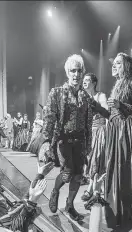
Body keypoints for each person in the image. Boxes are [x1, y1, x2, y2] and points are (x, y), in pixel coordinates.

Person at [96, 52, 132, 228]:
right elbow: (111, 113)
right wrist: (98, 108)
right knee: (114, 169)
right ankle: (117, 211)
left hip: (125, 130)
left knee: (124, 169)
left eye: (118, 63)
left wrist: (120, 105)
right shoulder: (117, 84)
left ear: (126, 65)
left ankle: (128, 213)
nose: (114, 66)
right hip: (114, 129)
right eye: (114, 63)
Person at [42, 54, 93, 221]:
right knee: (67, 174)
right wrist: (46, 141)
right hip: (63, 139)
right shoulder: (57, 93)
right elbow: (50, 117)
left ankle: (70, 205)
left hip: (80, 141)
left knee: (78, 176)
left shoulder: (86, 97)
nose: (76, 74)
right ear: (67, 72)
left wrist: (89, 145)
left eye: (79, 71)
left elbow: (88, 122)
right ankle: (55, 191)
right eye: (73, 71)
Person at [79, 73, 108, 199]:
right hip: (88, 133)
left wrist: (108, 131)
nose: (84, 82)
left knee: (96, 160)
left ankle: (91, 189)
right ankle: (95, 188)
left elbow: (107, 113)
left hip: (100, 131)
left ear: (94, 83)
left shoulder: (100, 96)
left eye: (87, 80)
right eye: (83, 80)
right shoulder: (82, 97)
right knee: (89, 161)